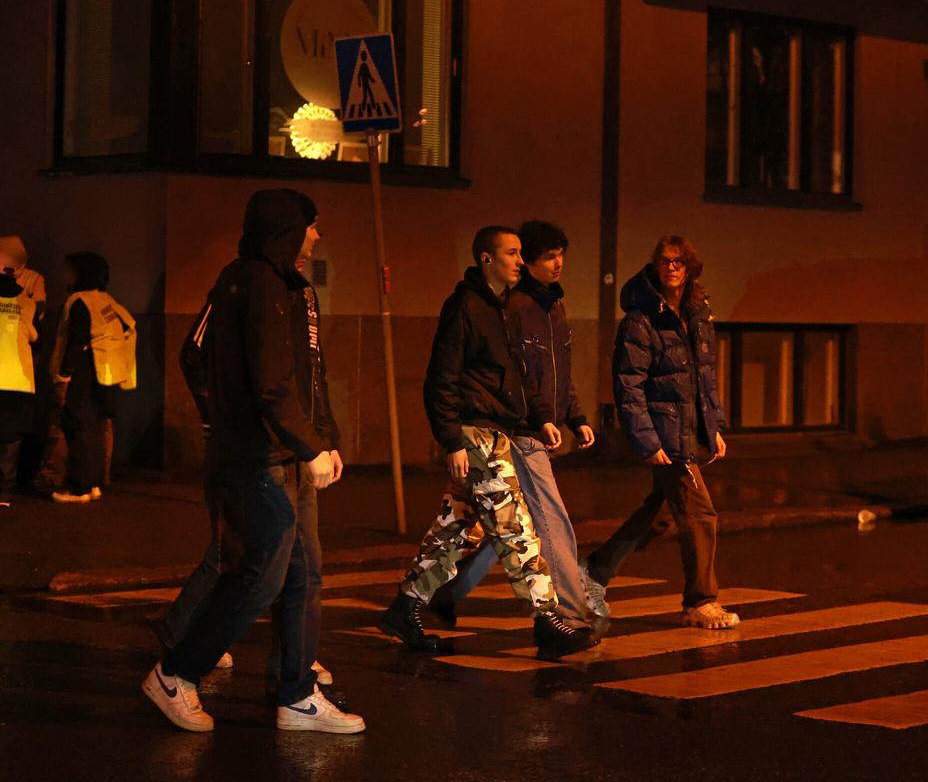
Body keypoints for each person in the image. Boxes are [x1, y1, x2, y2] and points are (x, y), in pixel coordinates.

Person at [141, 189, 363, 734]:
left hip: (289, 453)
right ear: (287, 227)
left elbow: (310, 374)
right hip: (256, 456)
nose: (318, 235)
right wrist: (306, 443)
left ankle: (296, 693)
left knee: (304, 575)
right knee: (260, 576)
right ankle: (176, 671)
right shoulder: (252, 282)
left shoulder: (294, 288)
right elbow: (270, 382)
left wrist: (325, 440)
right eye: (311, 225)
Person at [379, 225, 597, 661]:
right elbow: (441, 378)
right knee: (515, 527)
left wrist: (541, 418)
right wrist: (451, 440)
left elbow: (518, 374)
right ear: (486, 259)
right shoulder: (464, 306)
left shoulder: (504, 308)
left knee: (458, 525)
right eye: (512, 254)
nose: (520, 261)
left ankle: (405, 607)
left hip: (498, 431)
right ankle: (547, 622)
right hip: (475, 433)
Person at [430, 220, 595, 630]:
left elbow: (553, 374)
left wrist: (572, 416)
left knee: (498, 525)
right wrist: (454, 438)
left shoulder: (551, 308)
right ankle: (567, 612)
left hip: (527, 425)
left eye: (560, 256)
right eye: (547, 257)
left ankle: (439, 593)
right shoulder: (506, 306)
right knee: (545, 519)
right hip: (512, 431)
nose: (557, 264)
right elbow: (451, 376)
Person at [580, 235, 739, 629]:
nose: (671, 267)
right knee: (701, 515)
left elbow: (706, 378)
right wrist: (647, 440)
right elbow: (628, 385)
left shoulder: (698, 313)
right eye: (665, 261)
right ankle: (701, 601)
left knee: (663, 514)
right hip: (667, 435)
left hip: (691, 431)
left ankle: (595, 571)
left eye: (678, 261)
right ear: (655, 266)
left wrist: (714, 428)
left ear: (690, 267)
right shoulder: (641, 320)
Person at [48, 252, 135, 504]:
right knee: (96, 428)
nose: (66, 275)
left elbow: (75, 342)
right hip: (106, 373)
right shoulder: (106, 300)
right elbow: (128, 326)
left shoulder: (79, 301)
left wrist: (64, 376)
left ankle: (79, 487)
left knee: (77, 426)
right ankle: (95, 482)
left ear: (80, 273)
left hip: (85, 372)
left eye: (70, 270)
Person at [0, 251, 38, 508]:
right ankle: (5, 491)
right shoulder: (26, 302)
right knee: (11, 437)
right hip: (20, 380)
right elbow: (34, 335)